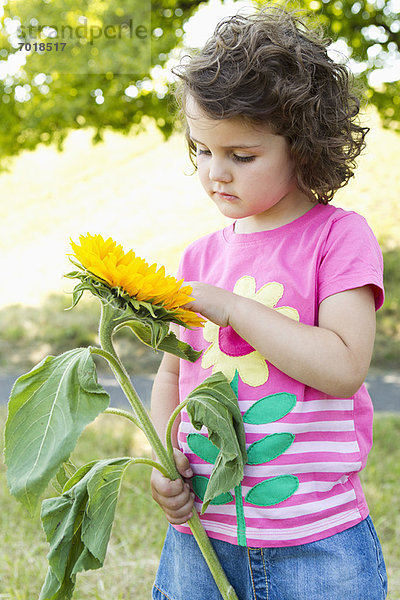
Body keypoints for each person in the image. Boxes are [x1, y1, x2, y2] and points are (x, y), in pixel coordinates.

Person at [150, 6, 388, 599]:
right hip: (203, 538)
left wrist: (233, 310)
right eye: (202, 151)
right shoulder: (199, 258)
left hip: (319, 543)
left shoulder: (338, 237)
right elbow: (171, 375)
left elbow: (342, 367)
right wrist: (162, 457)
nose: (215, 174)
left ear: (302, 146)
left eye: (242, 155)